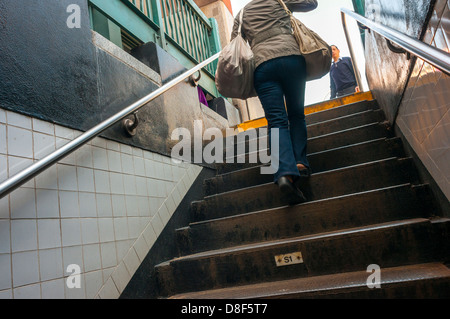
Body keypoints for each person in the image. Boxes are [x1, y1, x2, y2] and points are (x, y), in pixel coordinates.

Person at [231, 0, 318, 204]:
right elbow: (311, 3)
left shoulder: (242, 14)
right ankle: (300, 163)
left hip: (263, 66)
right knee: (296, 114)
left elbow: (234, 45)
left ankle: (284, 173)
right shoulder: (279, 1)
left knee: (276, 120)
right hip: (291, 58)